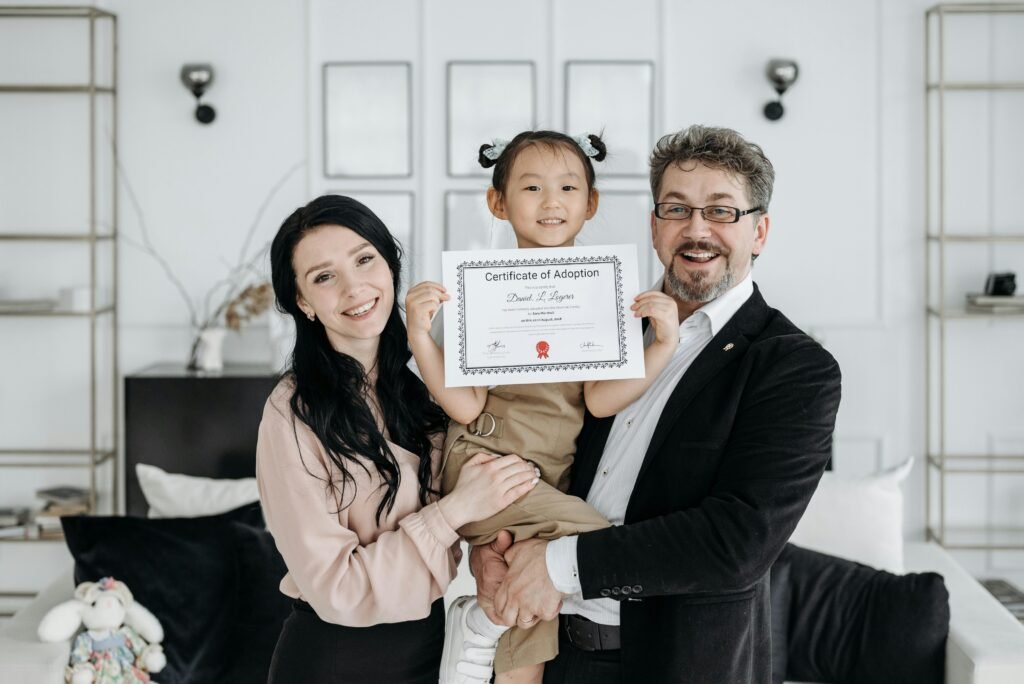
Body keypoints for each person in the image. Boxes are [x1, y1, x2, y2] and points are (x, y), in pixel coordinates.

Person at [470, 124, 843, 684]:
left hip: (681, 665)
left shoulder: (795, 368)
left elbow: (737, 542)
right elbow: (542, 444)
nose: (697, 230)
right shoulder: (599, 327)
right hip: (559, 655)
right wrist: (490, 544)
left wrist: (554, 564)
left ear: (760, 231)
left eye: (722, 212)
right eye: (676, 209)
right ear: (654, 225)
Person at [405, 130, 680, 684]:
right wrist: (419, 334)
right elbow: (463, 405)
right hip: (487, 465)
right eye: (531, 187)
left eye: (567, 187)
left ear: (590, 203)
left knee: (535, 620)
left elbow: (601, 400)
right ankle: (480, 625)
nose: (551, 202)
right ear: (498, 203)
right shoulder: (480, 292)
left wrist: (661, 345)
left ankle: (483, 627)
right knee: (601, 547)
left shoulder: (606, 295)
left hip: (546, 479)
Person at [255, 194, 540, 684]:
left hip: (427, 650)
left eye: (365, 259)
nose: (354, 288)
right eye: (324, 277)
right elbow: (336, 587)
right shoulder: (293, 409)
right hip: (333, 660)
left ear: (390, 265)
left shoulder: (424, 392)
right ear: (303, 302)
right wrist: (455, 510)